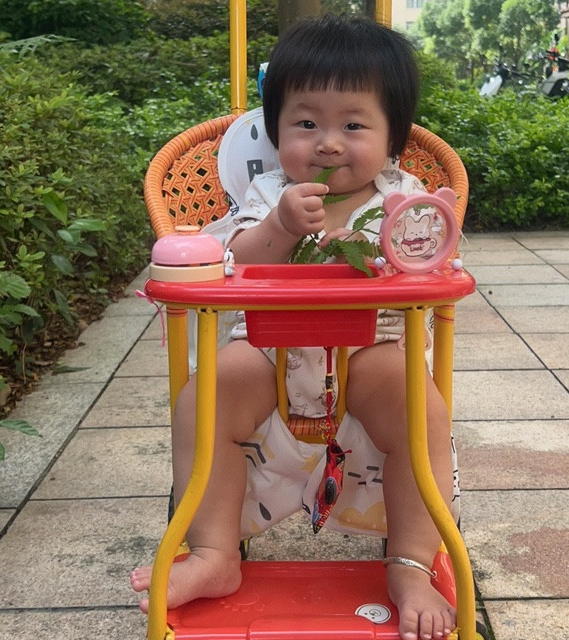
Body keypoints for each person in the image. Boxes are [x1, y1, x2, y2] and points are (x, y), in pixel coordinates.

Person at [131, 14, 459, 640]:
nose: (328, 144)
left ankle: (412, 564)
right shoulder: (265, 194)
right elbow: (231, 262)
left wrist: (389, 258)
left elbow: (435, 263)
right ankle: (214, 554)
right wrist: (279, 228)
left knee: (423, 414)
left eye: (353, 126)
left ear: (393, 139)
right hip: (269, 345)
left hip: (371, 346)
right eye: (306, 124)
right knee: (205, 398)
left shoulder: (405, 201)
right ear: (276, 128)